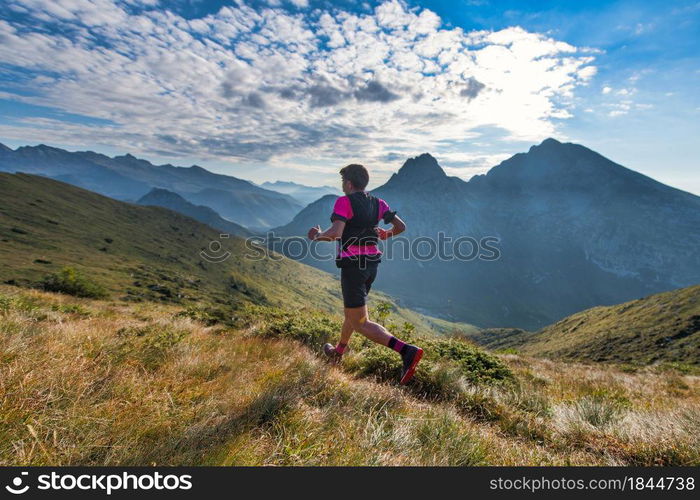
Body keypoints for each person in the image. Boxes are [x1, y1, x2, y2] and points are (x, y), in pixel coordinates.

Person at [307, 164, 423, 385]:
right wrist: (387, 235)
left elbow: (335, 233)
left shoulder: (344, 202)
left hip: (353, 266)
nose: (342, 186)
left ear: (349, 184)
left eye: (343, 182)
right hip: (371, 265)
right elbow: (401, 227)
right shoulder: (379, 203)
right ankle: (338, 352)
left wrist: (317, 235)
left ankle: (406, 351)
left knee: (360, 321)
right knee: (353, 313)